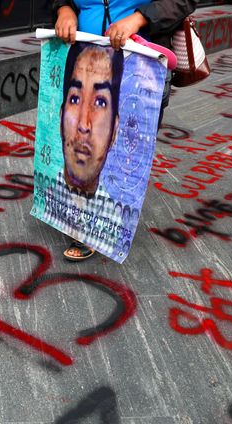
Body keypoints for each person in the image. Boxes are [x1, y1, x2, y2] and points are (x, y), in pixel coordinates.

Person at [52, 0, 195, 261]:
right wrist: (64, 9)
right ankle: (85, 224)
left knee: (121, 146)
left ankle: (105, 220)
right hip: (84, 55)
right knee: (81, 135)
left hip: (141, 61)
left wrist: (139, 19)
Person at [61, 43, 124, 197]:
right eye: (75, 99)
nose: (83, 125)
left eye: (100, 102)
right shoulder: (47, 197)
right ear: (61, 116)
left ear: (114, 129)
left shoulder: (115, 217)